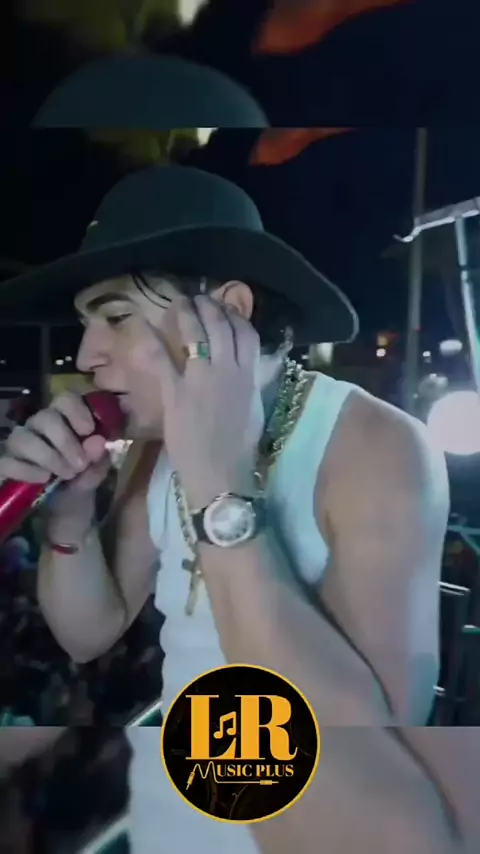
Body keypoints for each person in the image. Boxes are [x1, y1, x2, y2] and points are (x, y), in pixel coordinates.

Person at [0, 163, 464, 854]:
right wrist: (68, 517)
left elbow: (372, 752)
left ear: (230, 312)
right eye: (85, 324)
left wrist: (219, 482)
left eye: (116, 317)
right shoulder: (153, 448)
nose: (87, 355)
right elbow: (87, 633)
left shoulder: (376, 447)